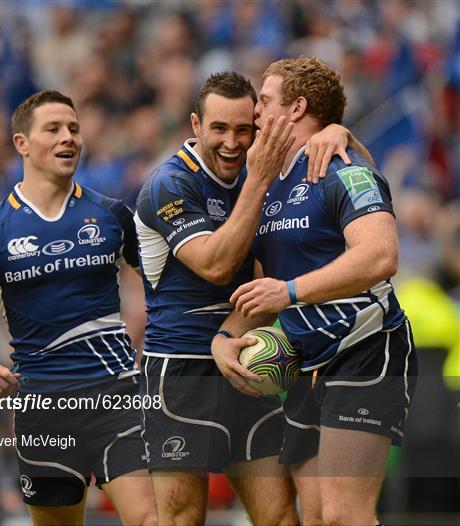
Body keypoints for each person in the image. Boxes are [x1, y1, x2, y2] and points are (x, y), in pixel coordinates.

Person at [135, 71, 369, 526]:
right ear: (195, 125)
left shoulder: (258, 167)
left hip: (253, 361)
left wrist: (339, 132)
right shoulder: (169, 183)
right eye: (219, 129)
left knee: (281, 516)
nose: (232, 142)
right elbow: (217, 265)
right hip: (181, 370)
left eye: (244, 129)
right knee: (182, 517)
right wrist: (258, 180)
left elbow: (351, 168)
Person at [0, 90, 157, 526]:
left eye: (73, 128)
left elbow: (163, 285)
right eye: (53, 129)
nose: (68, 138)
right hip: (44, 408)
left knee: (149, 518)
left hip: (117, 396)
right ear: (21, 143)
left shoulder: (112, 216)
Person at [211, 57, 418, 526]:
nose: (254, 113)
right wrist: (223, 338)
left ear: (297, 107)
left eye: (264, 101)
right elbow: (263, 285)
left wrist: (289, 292)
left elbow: (380, 256)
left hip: (365, 347)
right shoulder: (265, 184)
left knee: (347, 516)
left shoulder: (344, 167)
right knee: (320, 516)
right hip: (306, 361)